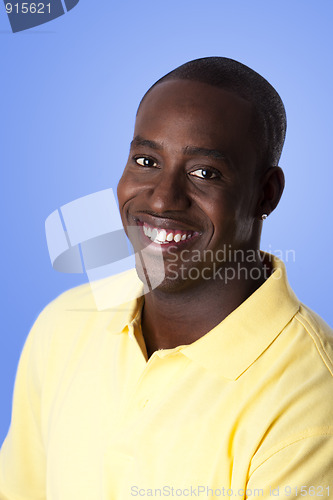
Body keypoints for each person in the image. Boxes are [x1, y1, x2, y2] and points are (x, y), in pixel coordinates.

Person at [0, 57, 332, 499]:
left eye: (205, 173)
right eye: (146, 160)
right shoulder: (63, 324)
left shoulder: (311, 402)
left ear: (265, 193)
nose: (162, 200)